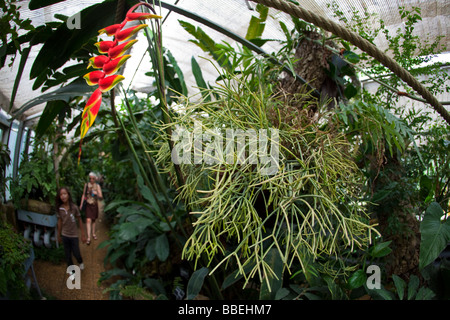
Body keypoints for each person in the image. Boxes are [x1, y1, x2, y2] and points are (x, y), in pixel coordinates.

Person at [56, 187, 86, 271]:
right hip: (65, 235)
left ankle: (80, 261)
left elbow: (79, 219)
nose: (63, 196)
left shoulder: (74, 208)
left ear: (68, 195)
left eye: (65, 194)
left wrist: (83, 235)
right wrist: (58, 235)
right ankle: (72, 272)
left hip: (74, 235)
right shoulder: (60, 209)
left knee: (76, 253)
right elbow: (59, 222)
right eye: (61, 194)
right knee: (68, 255)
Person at [80, 172, 103, 245]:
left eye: (93, 178)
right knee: (88, 219)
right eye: (90, 178)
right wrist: (81, 204)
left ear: (95, 179)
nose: (91, 180)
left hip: (94, 204)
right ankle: (89, 237)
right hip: (88, 204)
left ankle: (93, 233)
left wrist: (96, 193)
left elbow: (101, 197)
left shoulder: (97, 186)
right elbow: (83, 195)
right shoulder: (86, 185)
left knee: (93, 220)